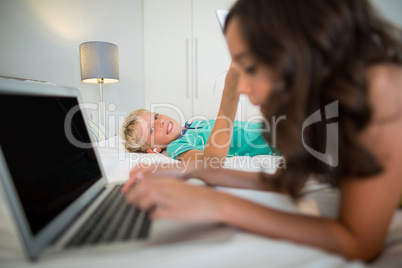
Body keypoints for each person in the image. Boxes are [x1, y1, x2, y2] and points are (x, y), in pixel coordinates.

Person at [122, 0, 402, 261]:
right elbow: (286, 181)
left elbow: (360, 241)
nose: (242, 88)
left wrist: (219, 204)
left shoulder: (382, 85)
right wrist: (192, 169)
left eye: (250, 68)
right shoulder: (315, 109)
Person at [120, 65, 276, 164]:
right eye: (152, 130)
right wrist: (229, 94)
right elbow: (209, 162)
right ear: (153, 150)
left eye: (156, 116)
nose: (159, 122)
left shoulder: (192, 125)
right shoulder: (177, 147)